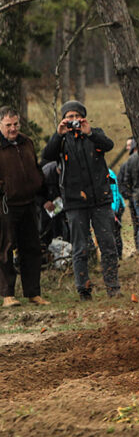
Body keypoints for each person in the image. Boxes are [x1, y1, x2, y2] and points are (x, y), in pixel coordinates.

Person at [42, 100, 121, 301]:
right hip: (74, 202)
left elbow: (109, 145)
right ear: (64, 119)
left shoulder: (93, 133)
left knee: (108, 244)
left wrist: (90, 133)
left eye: (77, 116)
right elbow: (47, 156)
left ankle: (113, 286)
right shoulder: (61, 141)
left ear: (84, 117)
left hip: (100, 199)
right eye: (70, 117)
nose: (74, 120)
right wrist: (58, 134)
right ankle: (84, 290)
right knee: (80, 247)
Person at [0, 106, 49, 307]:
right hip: (5, 205)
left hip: (28, 203)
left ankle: (33, 293)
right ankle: (7, 294)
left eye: (15, 124)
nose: (13, 129)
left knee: (32, 249)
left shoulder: (26, 142)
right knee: (5, 249)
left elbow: (35, 167)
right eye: (8, 125)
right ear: (0, 124)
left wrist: (42, 191)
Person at [118, 138, 138, 248]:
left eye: (129, 145)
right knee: (137, 225)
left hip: (136, 197)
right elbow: (121, 183)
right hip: (133, 198)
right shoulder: (125, 165)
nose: (127, 148)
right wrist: (128, 195)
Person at [108, 169, 125, 259]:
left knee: (116, 234)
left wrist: (113, 210)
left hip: (114, 208)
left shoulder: (109, 174)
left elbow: (114, 192)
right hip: (113, 207)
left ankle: (118, 255)